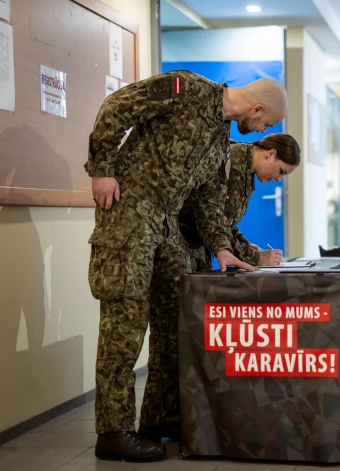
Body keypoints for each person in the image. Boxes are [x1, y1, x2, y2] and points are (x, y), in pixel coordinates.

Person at [86, 70, 288, 461]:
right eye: (266, 122)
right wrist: (102, 169)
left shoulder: (220, 141)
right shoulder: (186, 88)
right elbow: (117, 107)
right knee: (124, 324)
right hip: (130, 215)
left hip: (166, 225)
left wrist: (223, 249)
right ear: (257, 108)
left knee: (173, 322)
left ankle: (159, 420)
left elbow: (210, 200)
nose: (261, 129)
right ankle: (113, 432)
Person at [179, 133, 301, 273]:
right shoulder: (231, 161)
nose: (279, 179)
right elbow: (210, 219)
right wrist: (256, 258)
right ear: (271, 153)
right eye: (281, 171)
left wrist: (246, 244)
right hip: (182, 243)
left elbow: (225, 221)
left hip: (199, 245)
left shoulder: (247, 168)